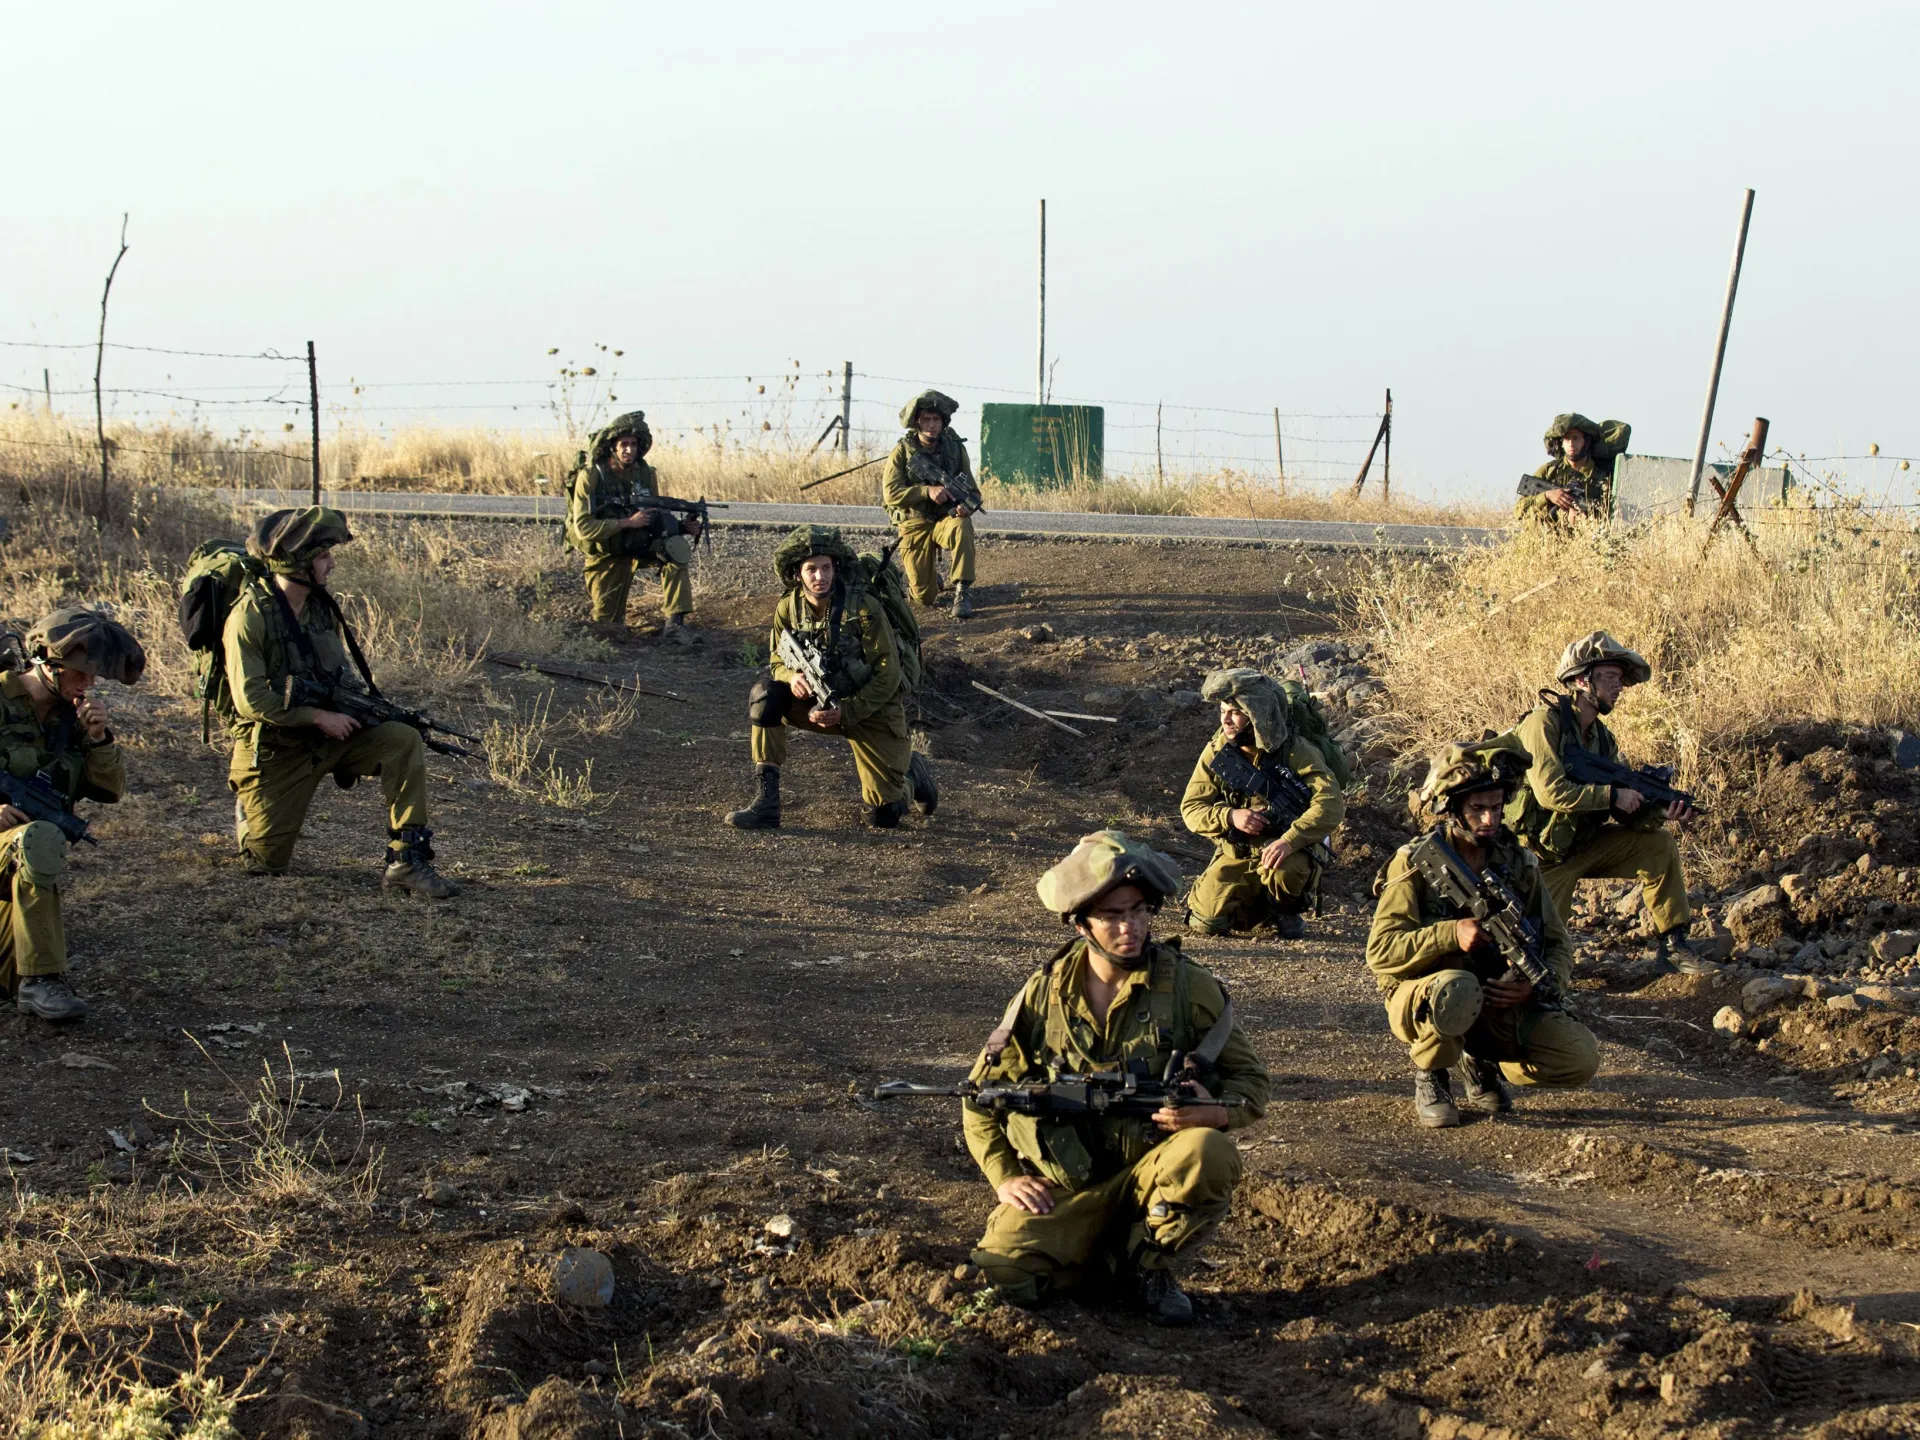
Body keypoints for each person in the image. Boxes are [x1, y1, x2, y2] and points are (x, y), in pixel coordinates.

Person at [963, 830, 1268, 1326]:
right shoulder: (1043, 994)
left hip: (1154, 1174)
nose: (1131, 927)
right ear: (1081, 923)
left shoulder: (1188, 985)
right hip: (1067, 1185)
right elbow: (980, 1096)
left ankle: (1151, 1265)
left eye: (1139, 911)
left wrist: (1213, 1112)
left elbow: (1251, 1082)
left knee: (1208, 1153)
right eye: (1112, 915)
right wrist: (1006, 1177)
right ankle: (1106, 1259)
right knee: (1004, 1275)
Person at [221, 507, 456, 897]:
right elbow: (250, 700)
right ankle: (251, 812)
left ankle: (406, 861)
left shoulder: (320, 608)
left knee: (402, 739)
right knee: (265, 864)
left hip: (327, 737)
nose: (332, 564)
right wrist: (316, 716)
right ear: (299, 563)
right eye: (324, 556)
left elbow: (339, 675)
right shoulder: (250, 616)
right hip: (278, 749)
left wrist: (364, 710)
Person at [1367, 736, 1599, 1128]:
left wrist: (1534, 988)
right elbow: (1381, 951)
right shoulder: (1414, 863)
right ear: (1452, 808)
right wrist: (1449, 934)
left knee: (1579, 1057)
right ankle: (1432, 1074)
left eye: (1496, 807)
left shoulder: (1519, 863)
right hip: (1424, 997)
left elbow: (1558, 943)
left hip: (1493, 1000)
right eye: (1477, 809)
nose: (1489, 819)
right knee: (1456, 987)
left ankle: (1479, 1059)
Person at [1506, 631, 1706, 970]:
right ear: (1581, 680)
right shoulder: (1543, 724)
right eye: (1610, 677)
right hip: (1538, 860)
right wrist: (1611, 795)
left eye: (1620, 679)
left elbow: (1622, 807)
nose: (1619, 687)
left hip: (1581, 846)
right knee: (1539, 964)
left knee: (1658, 845)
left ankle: (1674, 947)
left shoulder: (1602, 739)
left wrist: (1659, 812)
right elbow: (1550, 792)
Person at [725, 525, 934, 831]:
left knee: (883, 816)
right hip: (817, 705)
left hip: (871, 707)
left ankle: (913, 776)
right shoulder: (788, 606)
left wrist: (846, 711)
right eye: (811, 569)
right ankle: (766, 804)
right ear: (797, 573)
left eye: (826, 568)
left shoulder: (863, 607)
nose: (820, 576)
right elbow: (776, 659)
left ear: (835, 568)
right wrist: (791, 677)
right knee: (766, 695)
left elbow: (888, 675)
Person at [0, 609, 144, 1022]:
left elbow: (111, 790)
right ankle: (41, 981)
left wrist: (98, 738)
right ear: (48, 663)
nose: (88, 684)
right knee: (39, 837)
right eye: (79, 673)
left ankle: (28, 975)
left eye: (93, 675)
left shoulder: (73, 719)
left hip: (16, 859)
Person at [1181, 668, 1345, 940]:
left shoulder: (1294, 750)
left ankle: (1285, 909)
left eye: (1235, 712)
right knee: (1206, 922)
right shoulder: (1218, 749)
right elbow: (1191, 807)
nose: (1226, 720)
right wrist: (1231, 816)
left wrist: (1290, 840)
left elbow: (1331, 803)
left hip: (1288, 850)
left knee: (1285, 871)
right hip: (1241, 851)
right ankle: (1256, 907)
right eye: (1222, 711)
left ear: (1255, 714)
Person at [564, 410, 701, 645]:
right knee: (608, 629)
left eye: (634, 444)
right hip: (606, 552)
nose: (629, 450)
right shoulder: (591, 476)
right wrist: (627, 522)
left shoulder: (646, 474)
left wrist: (682, 527)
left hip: (637, 543)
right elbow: (584, 528)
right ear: (613, 447)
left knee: (675, 550)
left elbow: (655, 518)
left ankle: (675, 626)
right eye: (624, 444)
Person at [882, 390, 979, 618]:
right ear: (917, 421)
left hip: (945, 518)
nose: (932, 425)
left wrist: (966, 507)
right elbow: (891, 494)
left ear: (943, 422)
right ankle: (931, 578)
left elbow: (973, 491)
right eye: (926, 419)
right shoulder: (902, 452)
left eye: (936, 419)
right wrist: (926, 491)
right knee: (924, 597)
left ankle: (962, 590)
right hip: (915, 522)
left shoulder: (954, 449)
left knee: (963, 525)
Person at [1515, 413, 1628, 523]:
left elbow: (1616, 515)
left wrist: (1587, 517)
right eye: (1567, 439)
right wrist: (1547, 496)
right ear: (1561, 443)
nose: (1571, 443)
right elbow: (1519, 511)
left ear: (1586, 441)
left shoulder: (1602, 476)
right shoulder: (1549, 471)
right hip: (1551, 534)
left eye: (1576, 438)